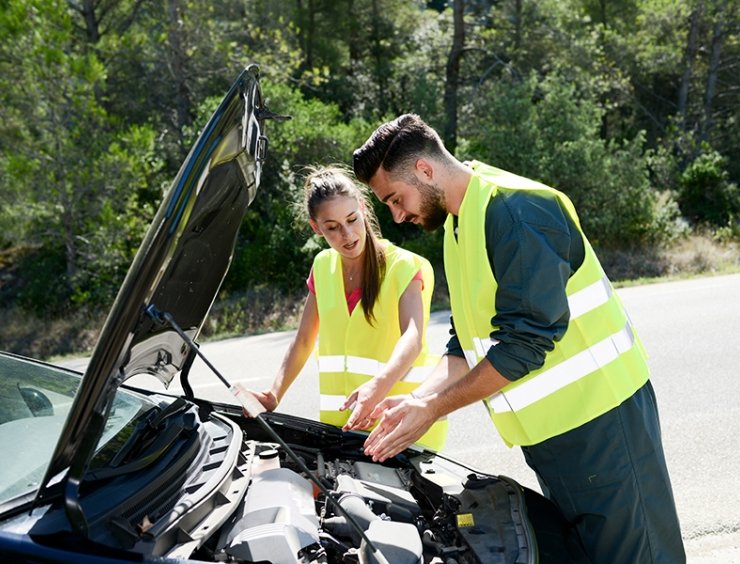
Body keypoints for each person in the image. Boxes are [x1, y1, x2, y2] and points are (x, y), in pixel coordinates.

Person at [352, 114, 685, 563]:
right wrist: (416, 400)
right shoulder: (459, 223)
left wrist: (432, 409)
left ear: (425, 171)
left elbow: (526, 341)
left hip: (603, 426)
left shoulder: (515, 211)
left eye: (396, 198)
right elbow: (467, 341)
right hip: (554, 436)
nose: (396, 215)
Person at [251, 165, 446, 450]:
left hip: (401, 426)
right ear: (316, 227)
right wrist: (274, 393)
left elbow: (413, 338)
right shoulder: (322, 266)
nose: (347, 234)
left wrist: (376, 387)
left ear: (364, 209)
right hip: (341, 429)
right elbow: (304, 340)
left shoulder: (404, 266)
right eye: (332, 227)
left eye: (352, 219)